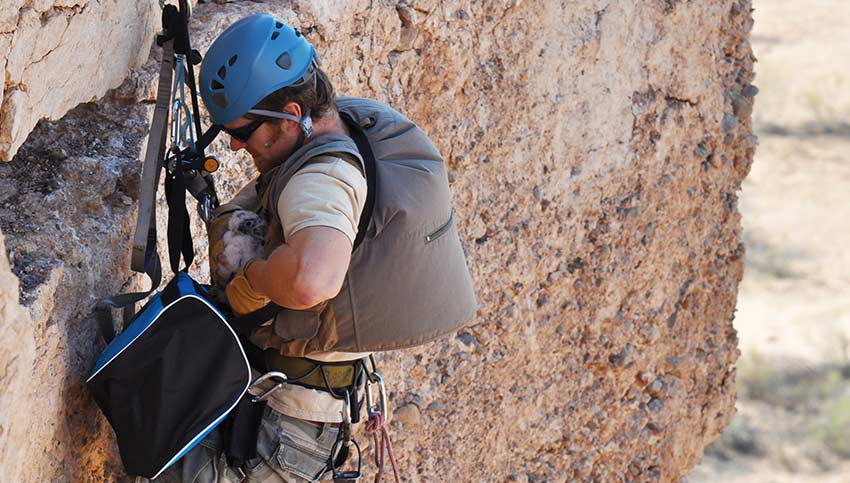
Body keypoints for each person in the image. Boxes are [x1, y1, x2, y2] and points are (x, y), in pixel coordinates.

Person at [151, 14, 371, 483]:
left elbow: (315, 279)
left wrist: (253, 281)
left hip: (286, 430)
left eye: (244, 131)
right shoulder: (340, 126)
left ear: (291, 116)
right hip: (286, 410)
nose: (232, 145)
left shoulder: (321, 180)